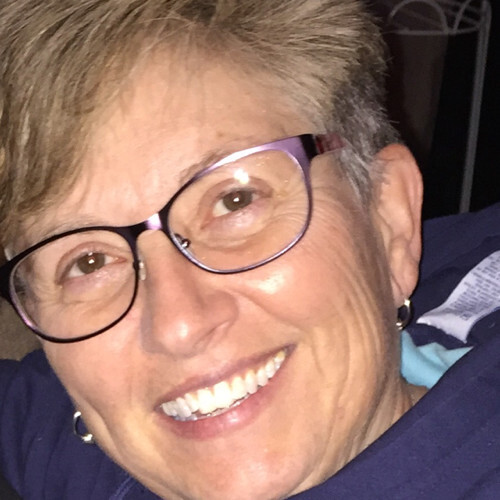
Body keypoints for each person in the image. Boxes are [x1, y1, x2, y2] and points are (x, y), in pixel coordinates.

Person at [0, 1, 499, 499]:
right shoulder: (70, 442)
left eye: (233, 200)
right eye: (88, 262)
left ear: (390, 220)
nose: (179, 327)